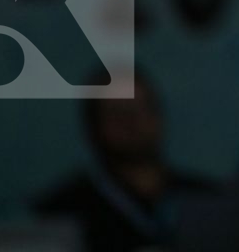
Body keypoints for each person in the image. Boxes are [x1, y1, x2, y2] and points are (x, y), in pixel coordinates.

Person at [34, 71, 217, 252]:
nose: (131, 121)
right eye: (116, 112)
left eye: (140, 108)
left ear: (158, 115)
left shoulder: (205, 200)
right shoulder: (65, 209)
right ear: (93, 126)